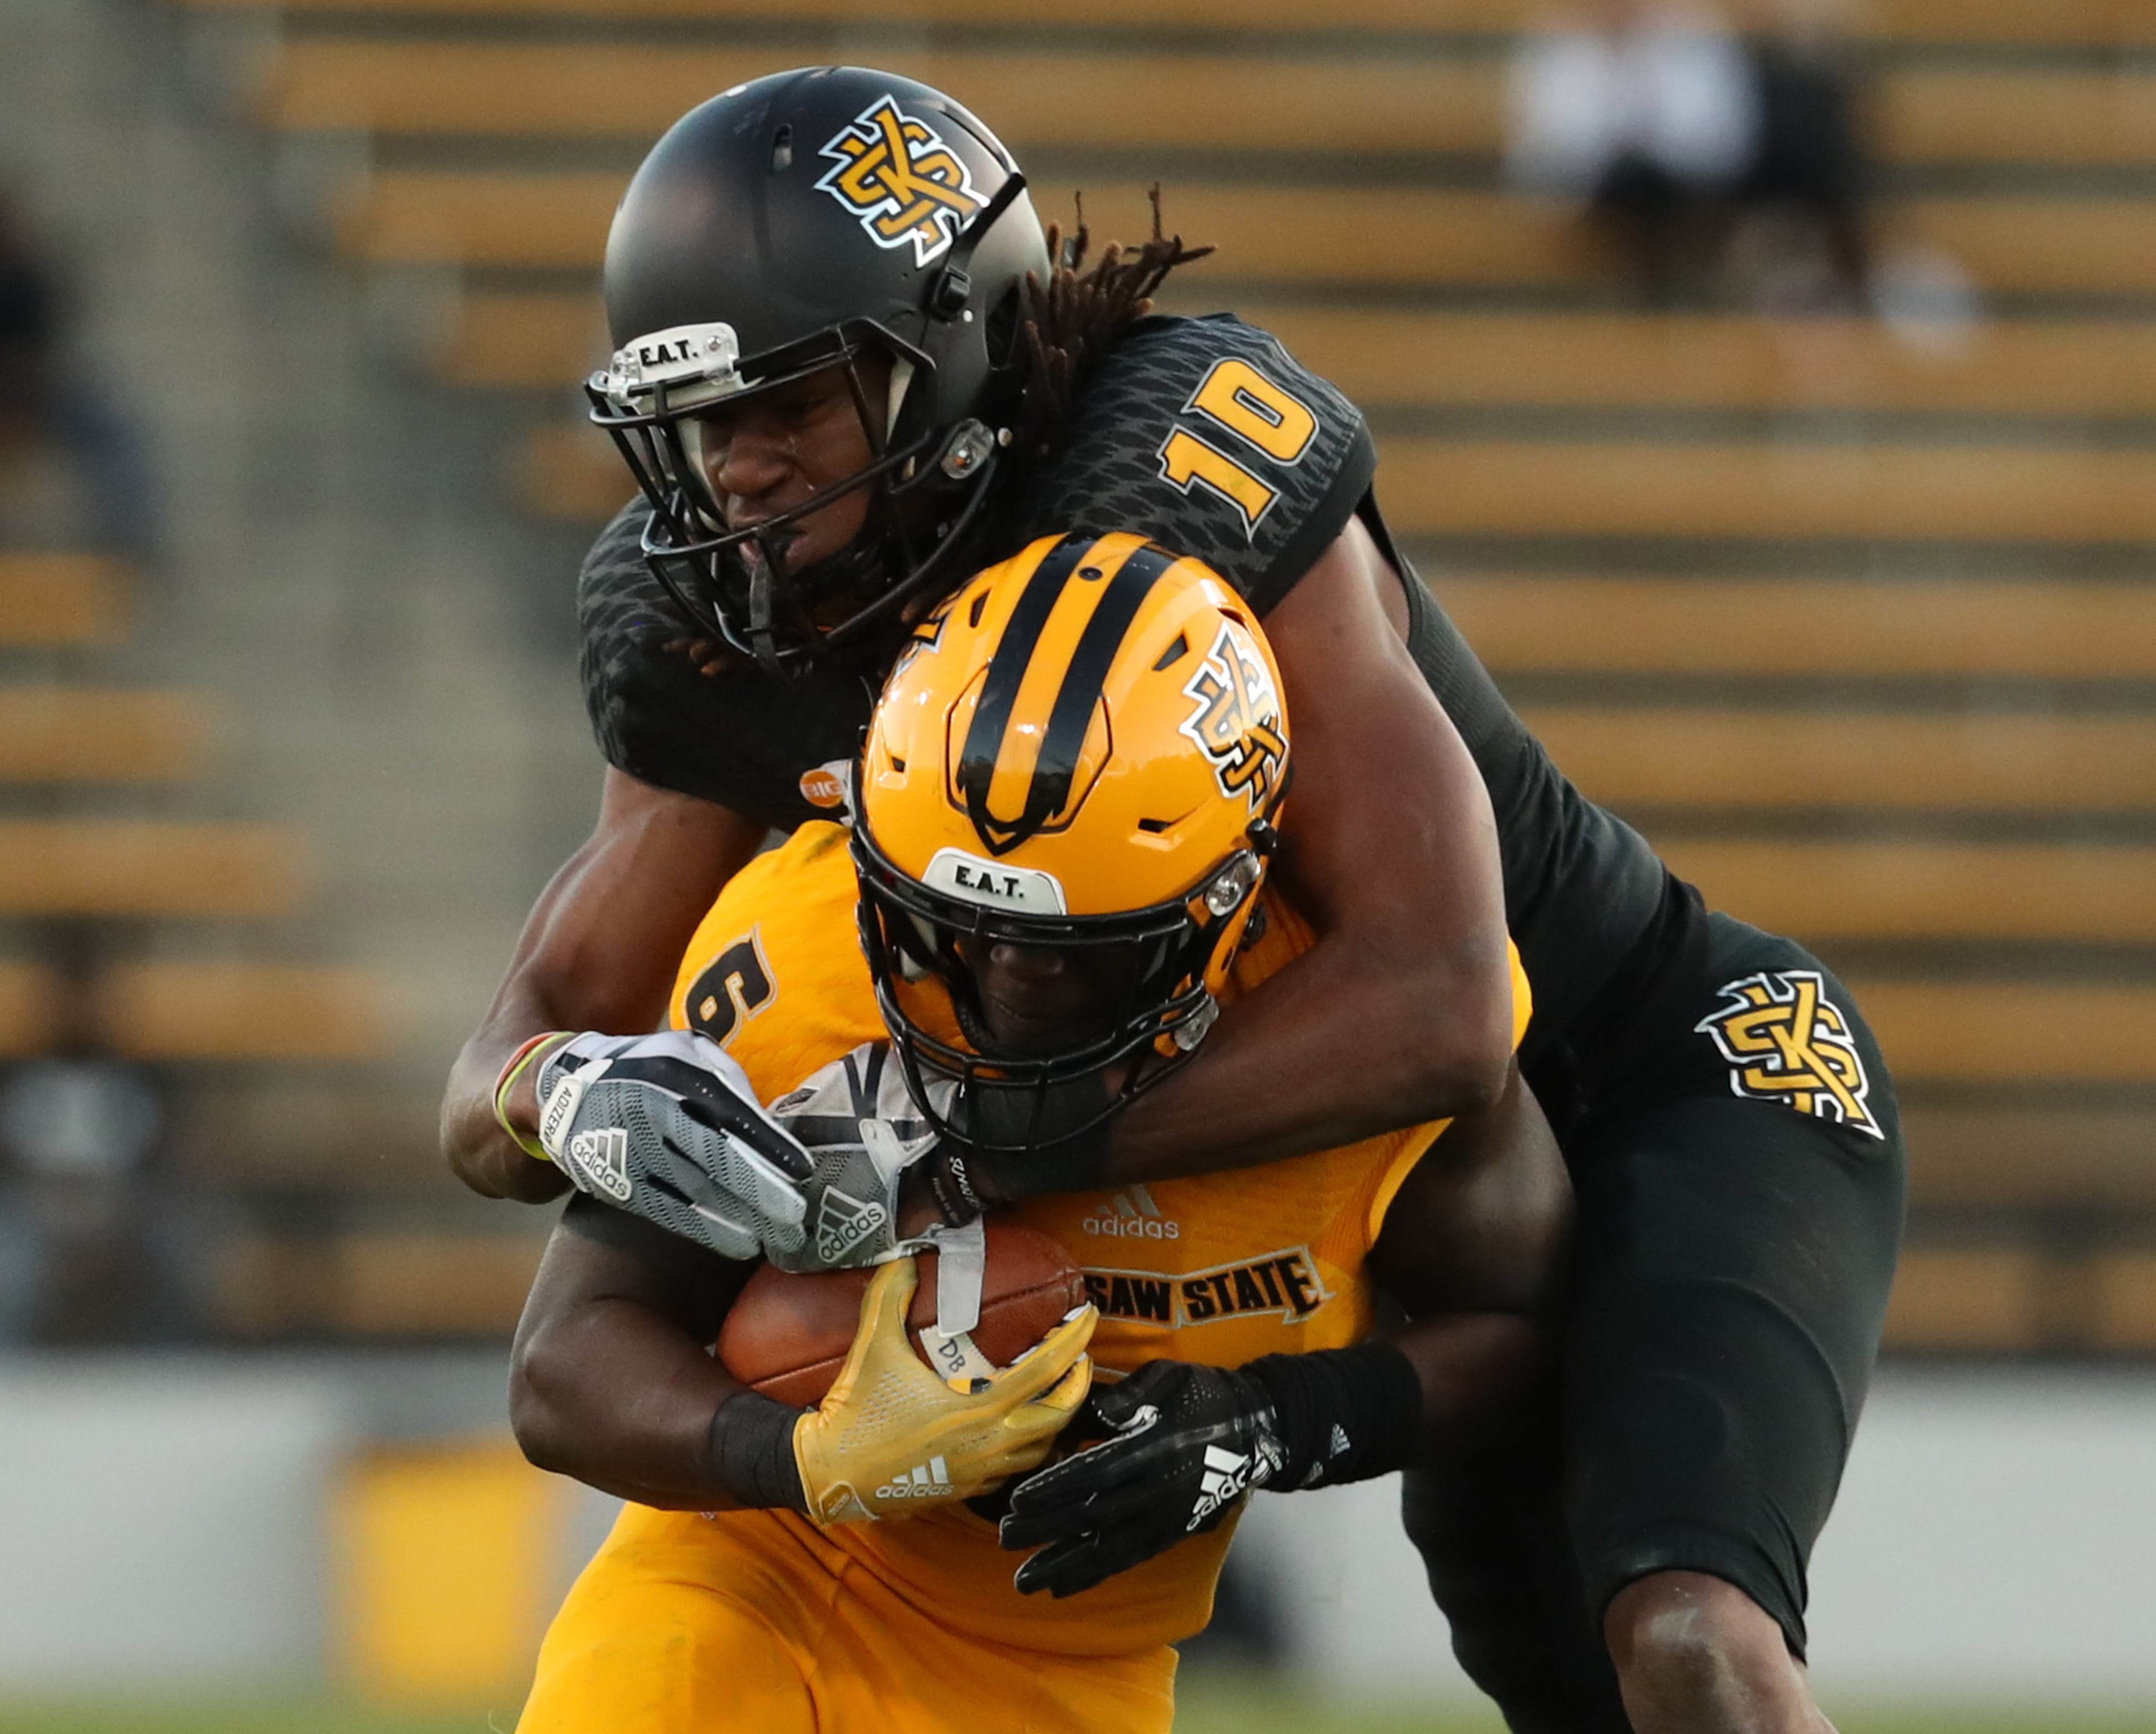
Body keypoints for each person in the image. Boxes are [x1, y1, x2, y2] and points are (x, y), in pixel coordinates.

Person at [446, 68, 1904, 1733]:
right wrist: (564, 1093)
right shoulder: (707, 615)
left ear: (947, 355)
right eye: (706, 421)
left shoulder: (1169, 485)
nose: (743, 474)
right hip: (1305, 1140)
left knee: (1691, 1642)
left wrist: (968, 1133)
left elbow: (1441, 1000)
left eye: (794, 404)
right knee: (1570, 1689)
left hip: (1627, 1069)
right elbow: (504, 1073)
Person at [508, 540, 1565, 1732]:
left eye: (1078, 945)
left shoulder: (1367, 1032)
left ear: (1233, 890)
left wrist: (1278, 1416)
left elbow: (1526, 1327)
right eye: (951, 924)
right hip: (755, 1588)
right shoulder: (810, 962)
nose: (1008, 980)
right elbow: (563, 1362)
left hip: (1080, 1676)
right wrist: (810, 1453)